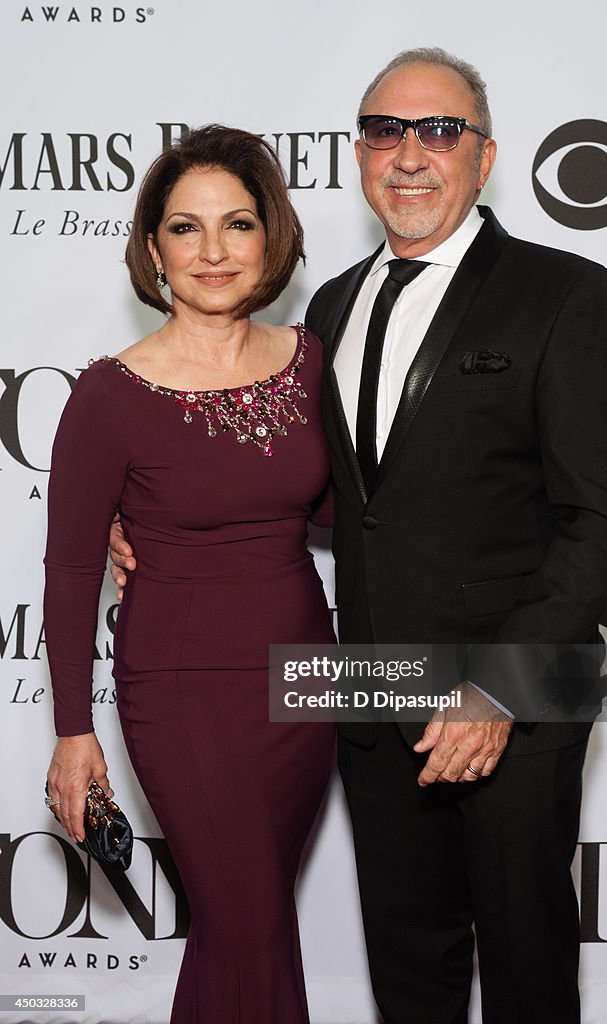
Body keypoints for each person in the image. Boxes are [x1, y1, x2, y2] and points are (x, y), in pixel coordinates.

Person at [111, 50, 607, 1024]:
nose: (410, 153)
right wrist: (151, 514)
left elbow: (602, 518)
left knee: (527, 972)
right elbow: (344, 499)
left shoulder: (566, 293)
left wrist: (499, 684)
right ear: (360, 154)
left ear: (484, 158)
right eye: (385, 130)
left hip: (517, 694)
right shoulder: (332, 309)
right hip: (375, 688)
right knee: (410, 977)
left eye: (439, 130)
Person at [44, 124, 336, 1024]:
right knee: (247, 925)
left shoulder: (312, 362)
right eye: (184, 228)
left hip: (305, 681)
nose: (213, 252)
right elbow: (69, 568)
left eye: (237, 224)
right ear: (152, 247)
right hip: (181, 691)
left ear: (270, 238)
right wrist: (71, 733)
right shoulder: (109, 392)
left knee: (242, 926)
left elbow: (340, 517)